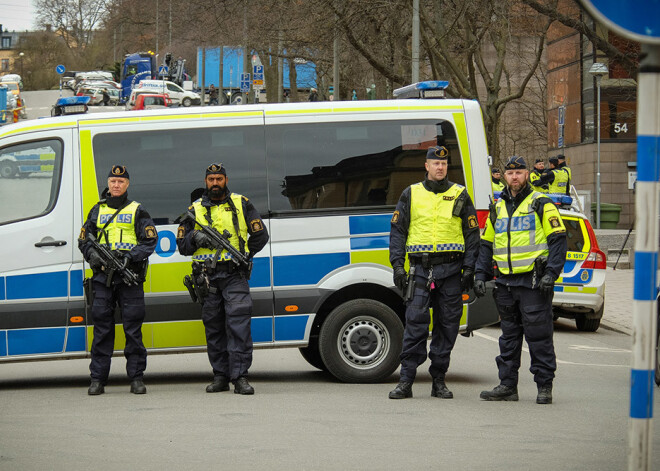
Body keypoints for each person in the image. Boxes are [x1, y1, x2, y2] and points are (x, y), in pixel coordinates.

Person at [388, 145, 480, 399]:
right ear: (426, 166)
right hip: (420, 270)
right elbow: (398, 232)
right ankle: (406, 381)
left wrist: (470, 268)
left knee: (447, 327)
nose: (440, 167)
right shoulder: (411, 194)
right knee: (415, 325)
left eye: (444, 164)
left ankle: (438, 380)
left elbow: (473, 235)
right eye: (435, 163)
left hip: (451, 271)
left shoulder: (460, 194)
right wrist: (398, 265)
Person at [474, 155, 567, 404]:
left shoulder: (541, 203)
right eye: (510, 173)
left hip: (534, 281)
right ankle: (507, 385)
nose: (514, 177)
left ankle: (544, 386)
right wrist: (481, 275)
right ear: (504, 176)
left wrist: (551, 273)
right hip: (505, 281)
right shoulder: (498, 206)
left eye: (519, 172)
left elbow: (558, 240)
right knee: (508, 337)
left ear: (527, 175)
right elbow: (486, 244)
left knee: (539, 336)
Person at [177, 163, 269, 395]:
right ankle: (220, 376)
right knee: (214, 327)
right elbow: (182, 246)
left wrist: (246, 255)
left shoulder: (242, 203)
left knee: (238, 326)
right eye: (211, 180)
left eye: (219, 179)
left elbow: (260, 235)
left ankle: (240, 378)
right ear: (206, 182)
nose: (215, 183)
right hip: (207, 278)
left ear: (226, 180)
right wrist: (195, 238)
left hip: (234, 274)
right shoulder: (194, 209)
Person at [78, 165, 158, 395]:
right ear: (108, 183)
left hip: (129, 278)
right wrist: (92, 255)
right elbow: (83, 240)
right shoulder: (97, 210)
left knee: (133, 330)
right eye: (113, 181)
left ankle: (136, 378)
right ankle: (97, 380)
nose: (116, 185)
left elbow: (150, 241)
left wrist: (129, 257)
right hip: (103, 279)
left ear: (127, 184)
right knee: (102, 330)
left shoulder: (137, 210)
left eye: (120, 182)